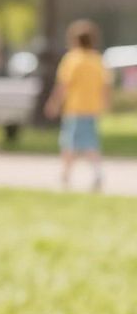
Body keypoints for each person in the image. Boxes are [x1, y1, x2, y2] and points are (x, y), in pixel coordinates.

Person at [46, 20, 110, 192]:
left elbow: (63, 85)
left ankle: (66, 175)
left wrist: (54, 103)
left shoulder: (72, 59)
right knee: (90, 142)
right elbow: (105, 85)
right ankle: (94, 173)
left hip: (74, 108)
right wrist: (105, 103)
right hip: (91, 108)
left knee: (69, 144)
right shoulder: (97, 60)